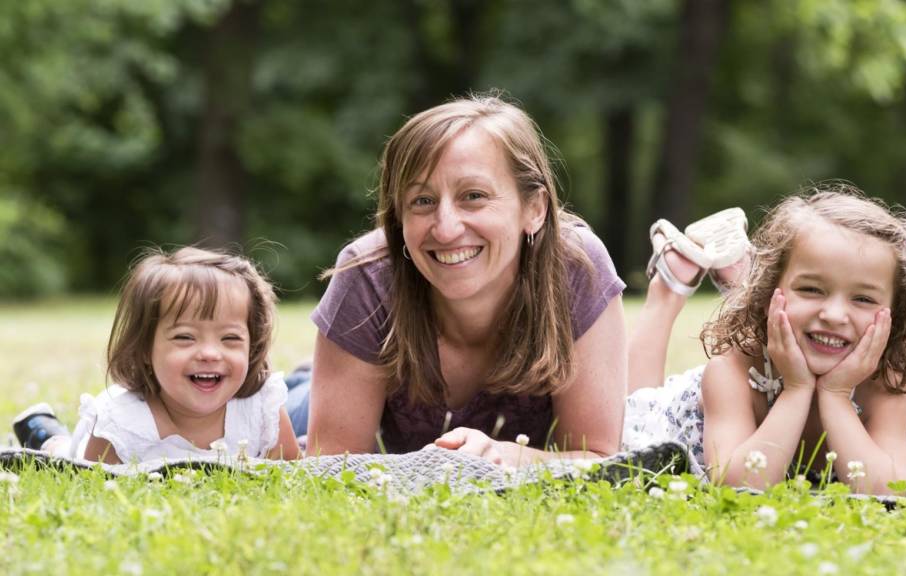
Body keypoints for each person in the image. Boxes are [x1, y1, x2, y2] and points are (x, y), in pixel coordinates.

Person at [287, 95, 627, 464]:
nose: (446, 229)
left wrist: (506, 457)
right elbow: (333, 466)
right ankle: (304, 376)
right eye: (422, 201)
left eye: (473, 196)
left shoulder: (577, 269)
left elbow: (599, 457)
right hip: (309, 406)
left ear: (534, 208)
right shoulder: (367, 277)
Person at [622, 182, 906, 495]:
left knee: (798, 318)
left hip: (787, 323)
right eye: (811, 289)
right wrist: (796, 390)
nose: (835, 315)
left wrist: (835, 395)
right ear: (769, 292)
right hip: (666, 417)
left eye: (863, 299)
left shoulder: (888, 382)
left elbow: (887, 490)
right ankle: (668, 289)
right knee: (632, 407)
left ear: (895, 311)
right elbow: (738, 484)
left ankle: (739, 272)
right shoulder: (730, 372)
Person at [12, 247, 301, 463]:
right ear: (145, 348)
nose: (211, 353)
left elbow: (291, 478)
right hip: (84, 449)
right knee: (63, 455)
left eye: (230, 338)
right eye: (185, 337)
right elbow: (90, 484)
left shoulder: (262, 408)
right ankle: (45, 433)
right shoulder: (121, 423)